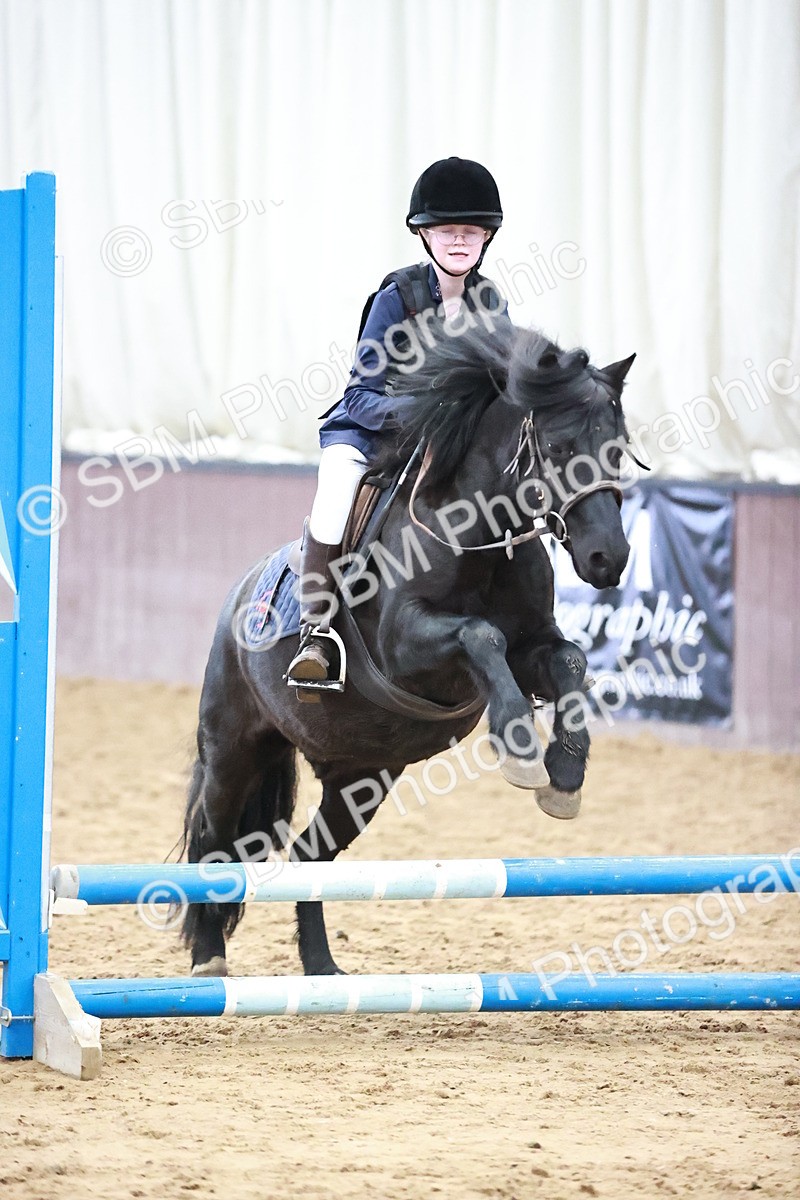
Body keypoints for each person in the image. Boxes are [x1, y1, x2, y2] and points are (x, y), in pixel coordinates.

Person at [287, 156, 507, 688]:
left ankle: (529, 632)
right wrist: (428, 416)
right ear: (425, 235)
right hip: (372, 435)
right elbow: (360, 393)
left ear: (486, 237)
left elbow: (503, 391)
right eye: (447, 230)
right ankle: (316, 632)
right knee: (335, 494)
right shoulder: (396, 298)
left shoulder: (491, 305)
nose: (460, 240)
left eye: (471, 230)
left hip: (448, 447)